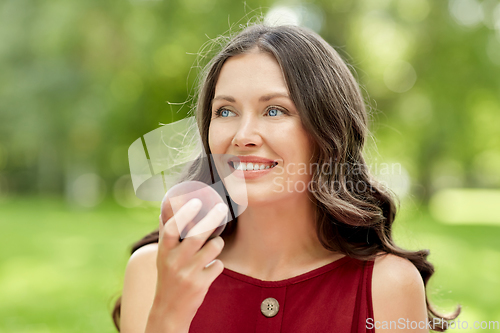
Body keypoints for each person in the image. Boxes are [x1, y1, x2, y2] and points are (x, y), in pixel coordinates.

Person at [111, 22, 460, 333]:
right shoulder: (153, 272)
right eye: (226, 111)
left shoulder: (387, 286)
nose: (242, 135)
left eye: (274, 110)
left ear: (327, 131)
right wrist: (168, 315)